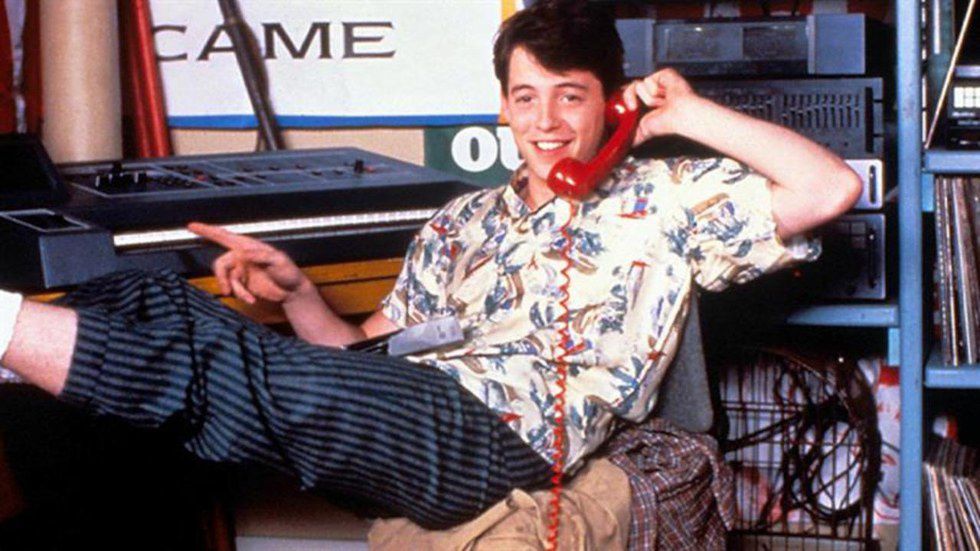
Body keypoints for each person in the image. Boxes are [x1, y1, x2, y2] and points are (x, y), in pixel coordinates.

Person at [0, 0, 861, 531]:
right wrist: (297, 292)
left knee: (244, 372)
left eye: (571, 96)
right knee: (160, 299)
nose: (547, 122)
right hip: (416, 414)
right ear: (503, 108)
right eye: (527, 97)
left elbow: (830, 188)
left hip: (508, 437)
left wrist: (684, 114)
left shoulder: (667, 200)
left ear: (612, 104)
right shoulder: (461, 221)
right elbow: (356, 358)